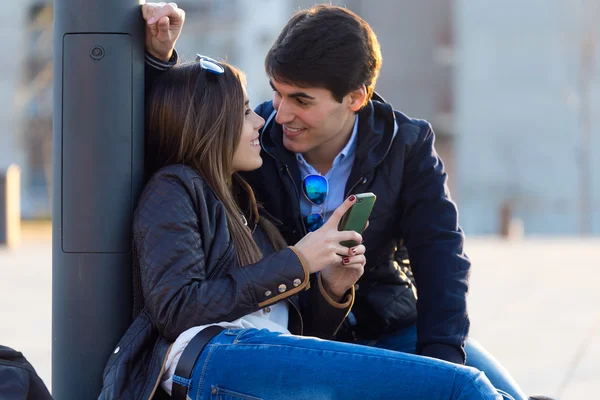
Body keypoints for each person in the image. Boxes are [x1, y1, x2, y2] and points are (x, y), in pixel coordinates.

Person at [98, 12, 510, 398]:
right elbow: (184, 121)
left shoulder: (406, 144)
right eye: (275, 94)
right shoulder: (240, 160)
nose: (276, 116)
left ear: (355, 98)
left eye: (301, 100)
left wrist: (436, 364)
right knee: (466, 388)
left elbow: (442, 259)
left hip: (375, 322)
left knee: (482, 387)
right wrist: (159, 57)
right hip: (267, 345)